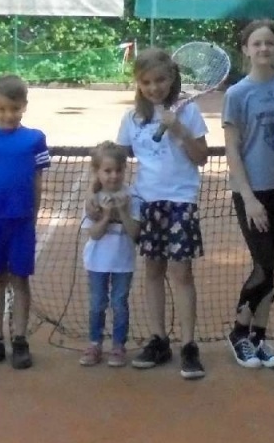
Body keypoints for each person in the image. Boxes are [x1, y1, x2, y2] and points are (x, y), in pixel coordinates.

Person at [118, 46, 211, 380]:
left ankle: (188, 345)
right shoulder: (132, 119)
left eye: (160, 79)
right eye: (146, 82)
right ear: (139, 84)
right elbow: (120, 156)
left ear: (172, 78)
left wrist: (179, 130)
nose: (154, 87)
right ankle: (159, 340)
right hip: (147, 203)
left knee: (181, 274)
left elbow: (201, 156)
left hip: (180, 202)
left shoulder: (188, 112)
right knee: (153, 271)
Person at [221, 18, 274, 369]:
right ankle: (238, 332)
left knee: (269, 266)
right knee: (263, 267)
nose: (264, 48)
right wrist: (249, 198)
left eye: (269, 42)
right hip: (250, 192)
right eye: (257, 43)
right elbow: (233, 150)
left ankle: (259, 338)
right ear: (246, 50)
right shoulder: (237, 94)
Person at [0, 74, 51, 371]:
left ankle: (19, 341)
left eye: (14, 109)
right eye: (2, 109)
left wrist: (33, 215)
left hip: (21, 223)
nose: (8, 115)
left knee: (20, 280)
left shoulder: (35, 139)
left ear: (24, 107)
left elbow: (38, 182)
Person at [79, 141, 139, 368]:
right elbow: (94, 235)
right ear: (97, 172)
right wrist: (105, 216)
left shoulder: (132, 197)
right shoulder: (92, 201)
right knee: (97, 304)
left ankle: (118, 346)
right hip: (97, 262)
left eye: (118, 170)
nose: (113, 176)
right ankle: (94, 343)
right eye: (107, 171)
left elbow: (135, 233)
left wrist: (123, 210)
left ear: (125, 169)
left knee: (119, 303)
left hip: (123, 262)